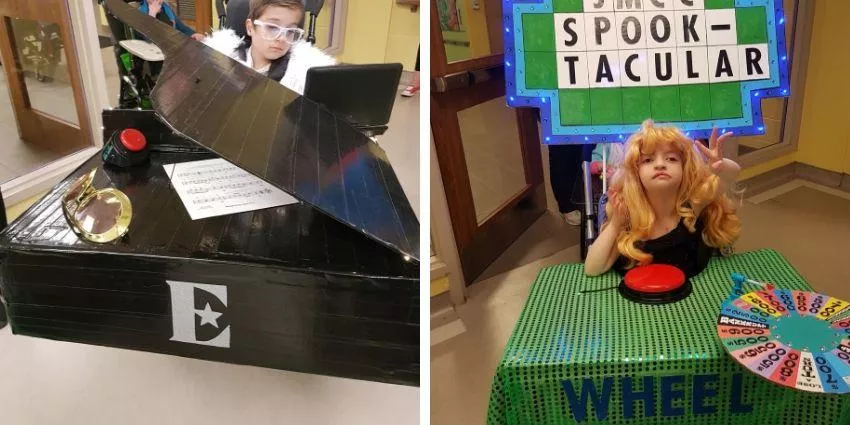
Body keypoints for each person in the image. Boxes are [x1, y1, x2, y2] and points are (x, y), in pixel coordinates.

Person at [584, 120, 741, 278]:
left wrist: (720, 166)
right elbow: (592, 269)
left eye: (671, 159)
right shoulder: (626, 213)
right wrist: (615, 224)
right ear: (635, 172)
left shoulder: (693, 205)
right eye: (648, 160)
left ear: (684, 168)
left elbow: (730, 176)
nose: (660, 164)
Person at [202, 0, 336, 94]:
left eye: (290, 31)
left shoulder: (298, 76)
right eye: (272, 27)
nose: (282, 38)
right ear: (250, 28)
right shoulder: (224, 59)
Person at [140, 0, 205, 41]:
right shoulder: (140, 11)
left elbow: (181, 27)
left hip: (172, 46)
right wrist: (152, 14)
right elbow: (147, 39)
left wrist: (193, 34)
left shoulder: (166, 8)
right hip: (155, 55)